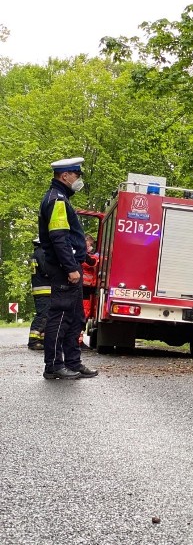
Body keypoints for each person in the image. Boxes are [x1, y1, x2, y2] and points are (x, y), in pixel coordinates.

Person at [37, 157, 98, 379]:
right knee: (60, 316)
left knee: (75, 317)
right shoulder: (57, 200)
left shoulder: (61, 198)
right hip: (64, 268)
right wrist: (71, 267)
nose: (78, 179)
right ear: (65, 176)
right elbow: (59, 238)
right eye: (77, 175)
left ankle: (73, 362)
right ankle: (53, 366)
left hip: (70, 267)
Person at [27, 238, 51, 350]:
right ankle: (33, 341)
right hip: (44, 290)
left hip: (41, 289)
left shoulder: (37, 253)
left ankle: (41, 340)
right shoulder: (41, 253)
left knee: (46, 315)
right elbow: (46, 270)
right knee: (43, 315)